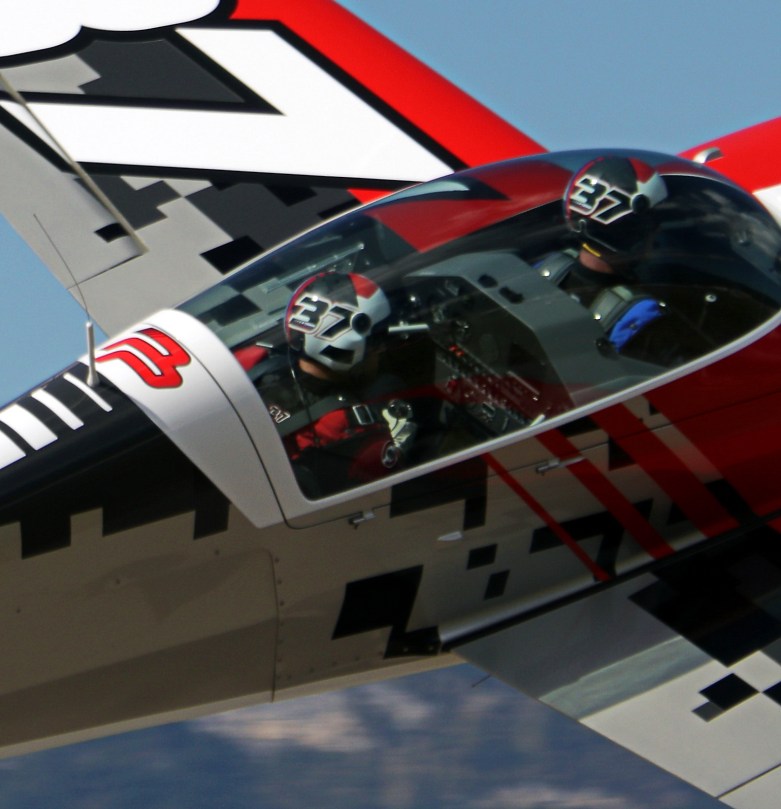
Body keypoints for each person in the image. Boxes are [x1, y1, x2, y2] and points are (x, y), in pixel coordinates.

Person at [236, 271, 415, 497]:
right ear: (346, 347)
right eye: (376, 342)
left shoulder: (251, 361)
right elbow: (394, 493)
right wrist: (398, 446)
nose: (381, 350)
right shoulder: (352, 430)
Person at [539, 156, 669, 350]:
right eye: (652, 222)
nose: (656, 231)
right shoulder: (639, 316)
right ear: (628, 230)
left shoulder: (544, 270)